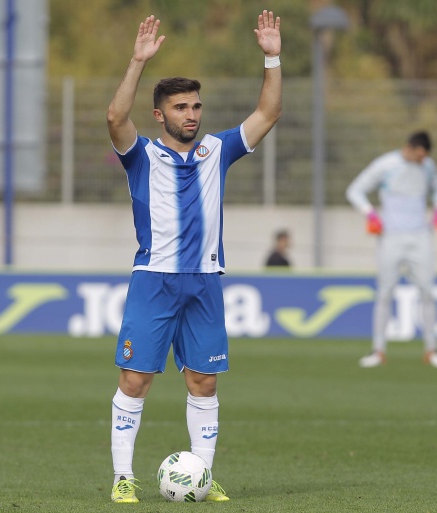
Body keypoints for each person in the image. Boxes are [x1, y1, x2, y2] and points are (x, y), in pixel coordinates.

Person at [106, 11, 282, 503]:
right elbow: (115, 118)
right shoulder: (140, 155)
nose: (192, 114)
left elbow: (267, 114)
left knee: (204, 381)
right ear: (160, 115)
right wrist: (137, 62)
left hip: (205, 281)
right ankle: (123, 477)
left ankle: (202, 476)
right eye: (181, 107)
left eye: (197, 106)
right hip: (154, 278)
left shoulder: (217, 150)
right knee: (135, 378)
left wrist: (272, 56)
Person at [345, 131, 437, 369]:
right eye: (419, 155)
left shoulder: (428, 167)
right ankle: (378, 350)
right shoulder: (386, 165)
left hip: (420, 237)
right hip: (390, 237)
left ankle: (432, 349)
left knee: (427, 291)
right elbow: (355, 190)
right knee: (385, 293)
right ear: (410, 148)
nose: (422, 160)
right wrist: (369, 213)